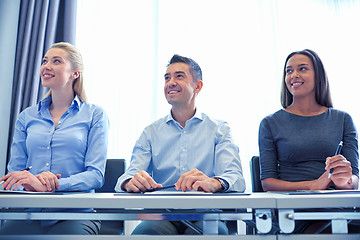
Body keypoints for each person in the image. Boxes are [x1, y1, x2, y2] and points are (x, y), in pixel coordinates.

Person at [115, 54, 245, 235]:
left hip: (206, 215)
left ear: (198, 86)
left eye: (179, 76)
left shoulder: (219, 129)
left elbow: (236, 179)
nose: (170, 82)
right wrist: (130, 182)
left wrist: (213, 183)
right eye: (167, 78)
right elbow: (126, 178)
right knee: (145, 235)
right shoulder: (150, 132)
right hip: (161, 216)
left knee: (211, 234)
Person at [0, 42, 109, 235]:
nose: (46, 66)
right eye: (44, 61)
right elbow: (14, 174)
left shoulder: (95, 115)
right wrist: (27, 182)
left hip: (76, 214)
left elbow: (95, 175)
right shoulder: (27, 116)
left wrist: (53, 184)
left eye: (56, 61)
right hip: (29, 213)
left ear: (75, 73)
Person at [258, 49, 359, 233]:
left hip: (338, 208)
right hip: (294, 212)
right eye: (289, 71)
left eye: (302, 69)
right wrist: (313, 186)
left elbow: (353, 180)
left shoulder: (343, 119)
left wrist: (344, 180)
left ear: (318, 75)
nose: (294, 75)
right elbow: (268, 182)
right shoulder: (270, 123)